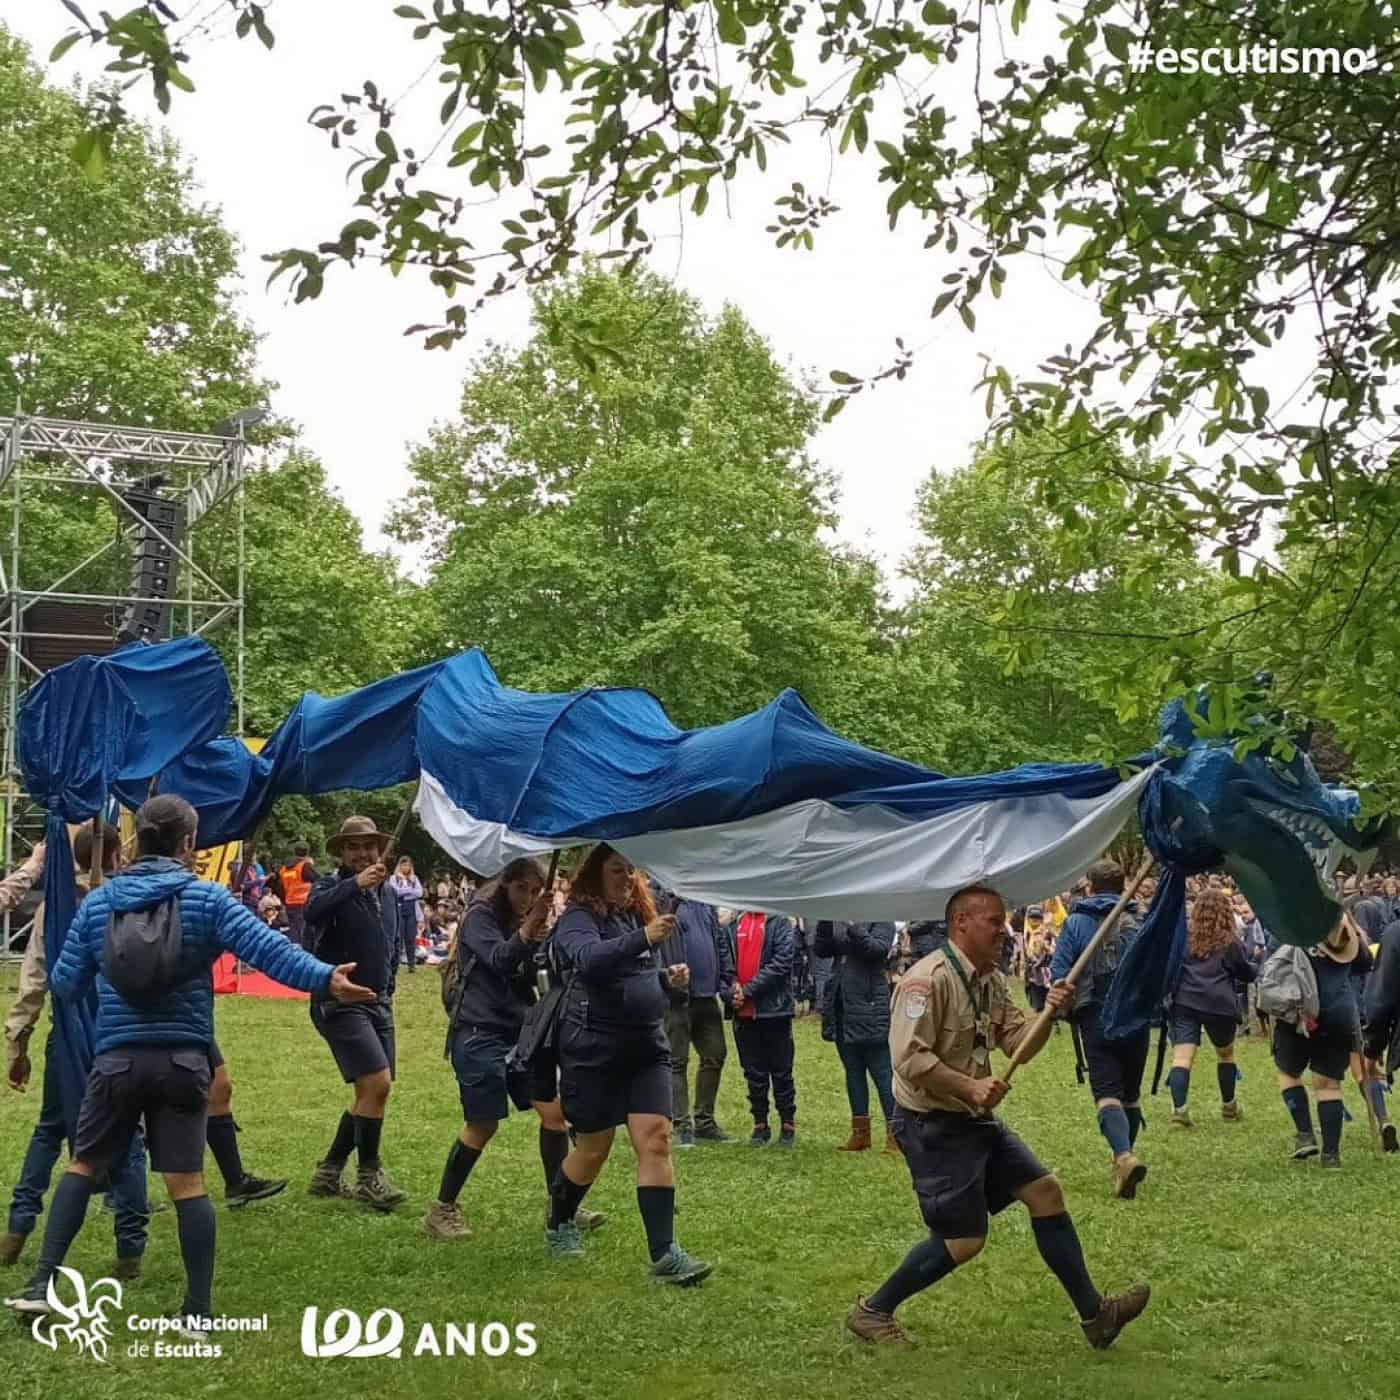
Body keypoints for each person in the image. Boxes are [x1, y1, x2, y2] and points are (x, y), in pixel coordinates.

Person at [2, 795, 370, 1336]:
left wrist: (104, 979)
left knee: (82, 1167)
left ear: (137, 840)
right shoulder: (206, 899)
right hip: (183, 1060)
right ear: (188, 843)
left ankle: (42, 1286)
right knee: (188, 1184)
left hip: (116, 1061)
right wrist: (325, 978)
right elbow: (268, 948)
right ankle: (197, 1312)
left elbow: (64, 982)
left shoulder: (100, 905)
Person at [847, 884, 1149, 1347]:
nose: (1003, 930)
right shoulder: (926, 980)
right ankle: (873, 1312)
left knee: (1045, 1193)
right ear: (960, 922)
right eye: (993, 920)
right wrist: (970, 1086)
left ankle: (1097, 1317)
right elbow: (908, 1059)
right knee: (963, 1241)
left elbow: (1017, 1047)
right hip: (932, 1124)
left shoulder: (989, 979)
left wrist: (1050, 1012)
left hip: (971, 1118)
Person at [546, 844, 710, 1284]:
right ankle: (559, 1219)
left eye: (630, 870)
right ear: (595, 875)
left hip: (645, 1048)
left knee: (655, 1138)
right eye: (616, 870)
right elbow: (590, 960)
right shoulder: (577, 919)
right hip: (594, 1051)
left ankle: (665, 1255)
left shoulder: (632, 915)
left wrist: (667, 981)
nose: (625, 878)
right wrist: (645, 937)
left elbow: (636, 976)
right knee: (593, 1150)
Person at [424, 858, 606, 1240]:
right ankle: (442, 1209)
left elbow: (541, 972)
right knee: (483, 1124)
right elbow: (501, 960)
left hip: (518, 1033)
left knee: (554, 1114)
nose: (529, 897)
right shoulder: (479, 916)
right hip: (478, 1033)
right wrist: (529, 928)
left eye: (537, 891)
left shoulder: (531, 923)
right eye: (522, 888)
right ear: (505, 885)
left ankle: (559, 1203)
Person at [3, 830, 153, 1281]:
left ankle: (17, 1229)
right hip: (118, 1032)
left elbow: (33, 979)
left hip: (69, 1033)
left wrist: (18, 1039)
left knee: (50, 1130)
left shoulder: (62, 906)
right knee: (126, 1137)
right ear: (112, 854)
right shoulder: (134, 901)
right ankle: (130, 1247)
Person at [305, 816, 406, 1210]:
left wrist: (390, 986)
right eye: (353, 847)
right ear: (342, 853)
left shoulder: (390, 894)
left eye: (369, 846)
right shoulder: (331, 886)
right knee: (376, 1084)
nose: (363, 853)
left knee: (371, 1091)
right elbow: (312, 911)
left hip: (380, 1002)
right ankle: (369, 1175)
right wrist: (353, 886)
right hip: (340, 1003)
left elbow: (391, 943)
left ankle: (329, 1170)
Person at [1050, 859, 1150, 1200]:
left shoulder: (1076, 922)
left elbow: (1060, 971)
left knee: (1108, 1092)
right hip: (1136, 1016)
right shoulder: (1142, 919)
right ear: (1123, 887)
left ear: (1089, 888)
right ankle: (1124, 1158)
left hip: (1096, 1015)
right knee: (1131, 1095)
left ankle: (1123, 1156)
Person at [1273, 917, 1361, 1165]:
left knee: (1289, 1073)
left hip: (1296, 1011)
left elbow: (1271, 960)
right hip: (1338, 1013)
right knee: (1328, 1084)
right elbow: (1364, 963)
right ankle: (1330, 1155)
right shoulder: (1343, 926)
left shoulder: (1289, 924)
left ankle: (1305, 1135)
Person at [1165, 888, 1256, 1125]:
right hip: (1219, 1003)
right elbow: (1245, 972)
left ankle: (1179, 1109)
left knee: (1182, 1058)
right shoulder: (1230, 941)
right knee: (1225, 1055)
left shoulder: (1183, 937)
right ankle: (1229, 1106)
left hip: (1184, 1000)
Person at [815, 919, 899, 1154]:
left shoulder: (882, 919)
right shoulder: (841, 919)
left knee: (882, 1073)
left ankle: (896, 1135)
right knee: (853, 1071)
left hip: (870, 1004)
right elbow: (822, 950)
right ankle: (860, 1133)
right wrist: (824, 923)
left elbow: (876, 950)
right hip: (842, 1006)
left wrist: (853, 926)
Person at [663, 893, 735, 1147]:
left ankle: (704, 1122)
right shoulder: (665, 899)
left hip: (707, 995)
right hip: (678, 998)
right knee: (676, 1061)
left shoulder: (704, 901)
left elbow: (719, 941)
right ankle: (681, 1126)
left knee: (715, 1054)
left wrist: (726, 980)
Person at [726, 909, 798, 1147]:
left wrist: (747, 991)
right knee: (753, 1071)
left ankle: (787, 1123)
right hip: (743, 1013)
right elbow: (725, 965)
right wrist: (731, 992)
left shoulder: (780, 921)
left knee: (781, 1069)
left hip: (774, 1010)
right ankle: (760, 1124)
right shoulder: (731, 922)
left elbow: (782, 963)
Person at [388, 855, 425, 976]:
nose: (406, 867)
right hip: (399, 909)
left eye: (408, 865)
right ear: (399, 866)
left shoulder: (414, 878)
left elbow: (419, 893)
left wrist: (406, 891)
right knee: (399, 939)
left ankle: (411, 964)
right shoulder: (394, 878)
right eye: (403, 865)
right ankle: (396, 964)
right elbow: (395, 892)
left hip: (412, 911)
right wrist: (406, 885)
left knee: (411, 938)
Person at [278, 844, 317, 949]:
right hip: (303, 903)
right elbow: (318, 880)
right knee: (303, 932)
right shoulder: (305, 866)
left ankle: (294, 955)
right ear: (307, 853)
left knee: (294, 932)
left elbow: (280, 888)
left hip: (290, 903)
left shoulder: (284, 869)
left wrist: (285, 901)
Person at [1022, 907, 1054, 1013]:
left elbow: (1054, 951)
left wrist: (1045, 946)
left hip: (1045, 975)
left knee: (1047, 1005)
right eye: (1032, 917)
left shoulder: (1048, 933)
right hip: (1031, 976)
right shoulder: (1027, 934)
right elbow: (1026, 954)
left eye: (1037, 918)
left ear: (1041, 919)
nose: (1034, 920)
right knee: (1036, 1006)